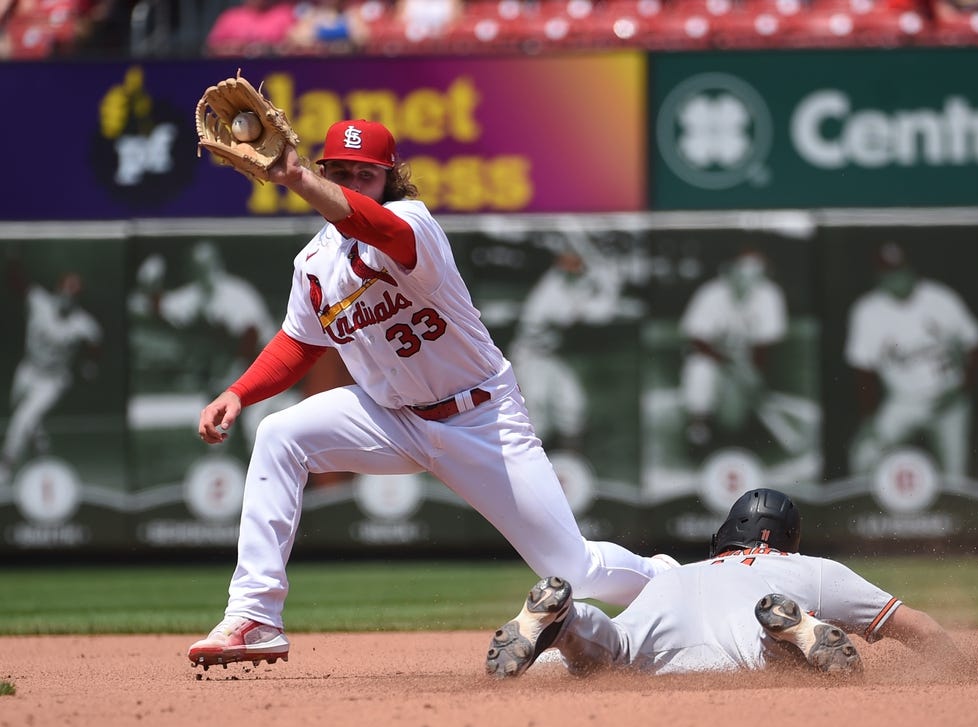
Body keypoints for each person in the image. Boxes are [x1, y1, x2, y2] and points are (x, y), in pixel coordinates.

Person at [187, 119, 676, 670]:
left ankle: (676, 585)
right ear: (325, 171)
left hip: (481, 417)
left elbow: (372, 225)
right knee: (279, 433)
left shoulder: (411, 223)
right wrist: (239, 391)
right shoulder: (313, 264)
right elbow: (300, 343)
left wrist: (296, 176)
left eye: (363, 175)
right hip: (391, 418)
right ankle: (254, 616)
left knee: (573, 567)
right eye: (339, 172)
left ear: (389, 179)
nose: (350, 182)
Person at [485, 487, 962, 678]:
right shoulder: (812, 569)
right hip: (745, 635)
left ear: (728, 533)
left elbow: (552, 671)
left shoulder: (678, 576)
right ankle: (788, 634)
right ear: (788, 539)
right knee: (763, 652)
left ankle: (568, 622)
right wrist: (967, 668)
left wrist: (551, 655)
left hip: (662, 625)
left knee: (615, 645)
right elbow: (918, 628)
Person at [844, 241, 978, 477]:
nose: (897, 280)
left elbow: (976, 344)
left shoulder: (941, 299)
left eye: (901, 272)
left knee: (957, 475)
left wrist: (963, 389)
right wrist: (868, 419)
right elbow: (862, 369)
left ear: (912, 270)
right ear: (879, 278)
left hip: (949, 399)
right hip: (902, 402)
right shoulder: (866, 311)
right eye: (889, 274)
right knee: (864, 455)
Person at [508, 239, 624, 452]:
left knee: (572, 406)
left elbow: (588, 285)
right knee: (537, 418)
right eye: (567, 259)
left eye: (575, 259)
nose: (573, 263)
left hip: (550, 357)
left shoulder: (567, 280)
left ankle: (569, 464)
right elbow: (600, 315)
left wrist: (603, 274)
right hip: (529, 358)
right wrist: (611, 285)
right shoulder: (551, 292)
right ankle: (531, 467)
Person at [678, 247, 788, 454]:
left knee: (732, 424)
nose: (747, 280)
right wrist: (727, 362)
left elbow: (766, 345)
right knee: (698, 371)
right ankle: (698, 423)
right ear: (730, 272)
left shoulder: (770, 295)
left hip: (744, 361)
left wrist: (754, 375)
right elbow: (696, 340)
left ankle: (747, 412)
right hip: (710, 358)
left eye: (755, 275)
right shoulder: (710, 293)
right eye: (742, 272)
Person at [1, 268, 102, 482]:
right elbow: (17, 282)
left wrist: (90, 364)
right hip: (27, 370)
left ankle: (6, 468)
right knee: (24, 418)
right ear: (58, 289)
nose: (68, 297)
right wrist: (11, 259)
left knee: (21, 420)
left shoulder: (82, 323)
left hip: (53, 380)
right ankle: (42, 451)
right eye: (66, 290)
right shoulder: (39, 301)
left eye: (74, 294)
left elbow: (95, 341)